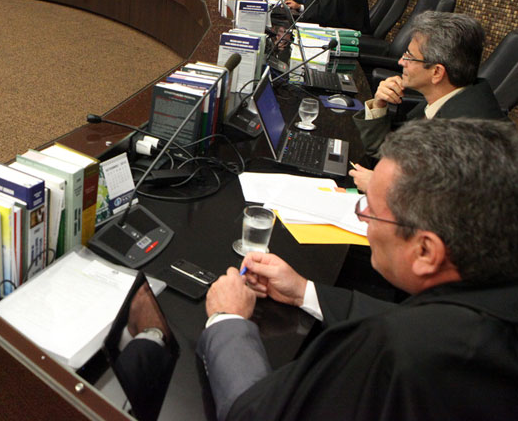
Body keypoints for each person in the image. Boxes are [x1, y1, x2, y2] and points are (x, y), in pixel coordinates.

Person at [197, 118, 518, 421]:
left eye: (371, 210)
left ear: (425, 251)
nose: (361, 217)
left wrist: (228, 321)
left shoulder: (404, 353)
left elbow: (253, 414)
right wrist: (304, 292)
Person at [349, 11, 504, 189]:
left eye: (409, 56)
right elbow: (390, 151)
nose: (401, 62)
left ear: (436, 72)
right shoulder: (446, 98)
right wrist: (378, 106)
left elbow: (447, 200)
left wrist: (382, 187)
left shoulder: (467, 135)